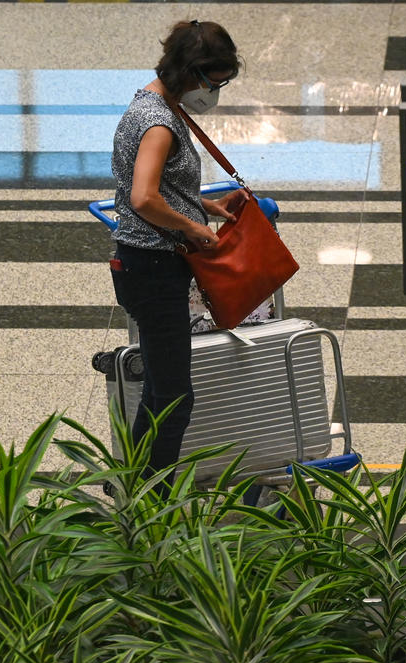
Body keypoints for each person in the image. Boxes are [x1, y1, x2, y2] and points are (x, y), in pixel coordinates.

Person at [109, 19, 244, 494]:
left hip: (149, 264)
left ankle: (140, 486)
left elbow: (157, 186)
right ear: (192, 72)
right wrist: (193, 228)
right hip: (153, 269)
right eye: (216, 82)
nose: (216, 91)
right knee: (173, 396)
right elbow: (144, 198)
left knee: (162, 389)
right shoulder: (160, 123)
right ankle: (153, 500)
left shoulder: (153, 102)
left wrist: (203, 205)